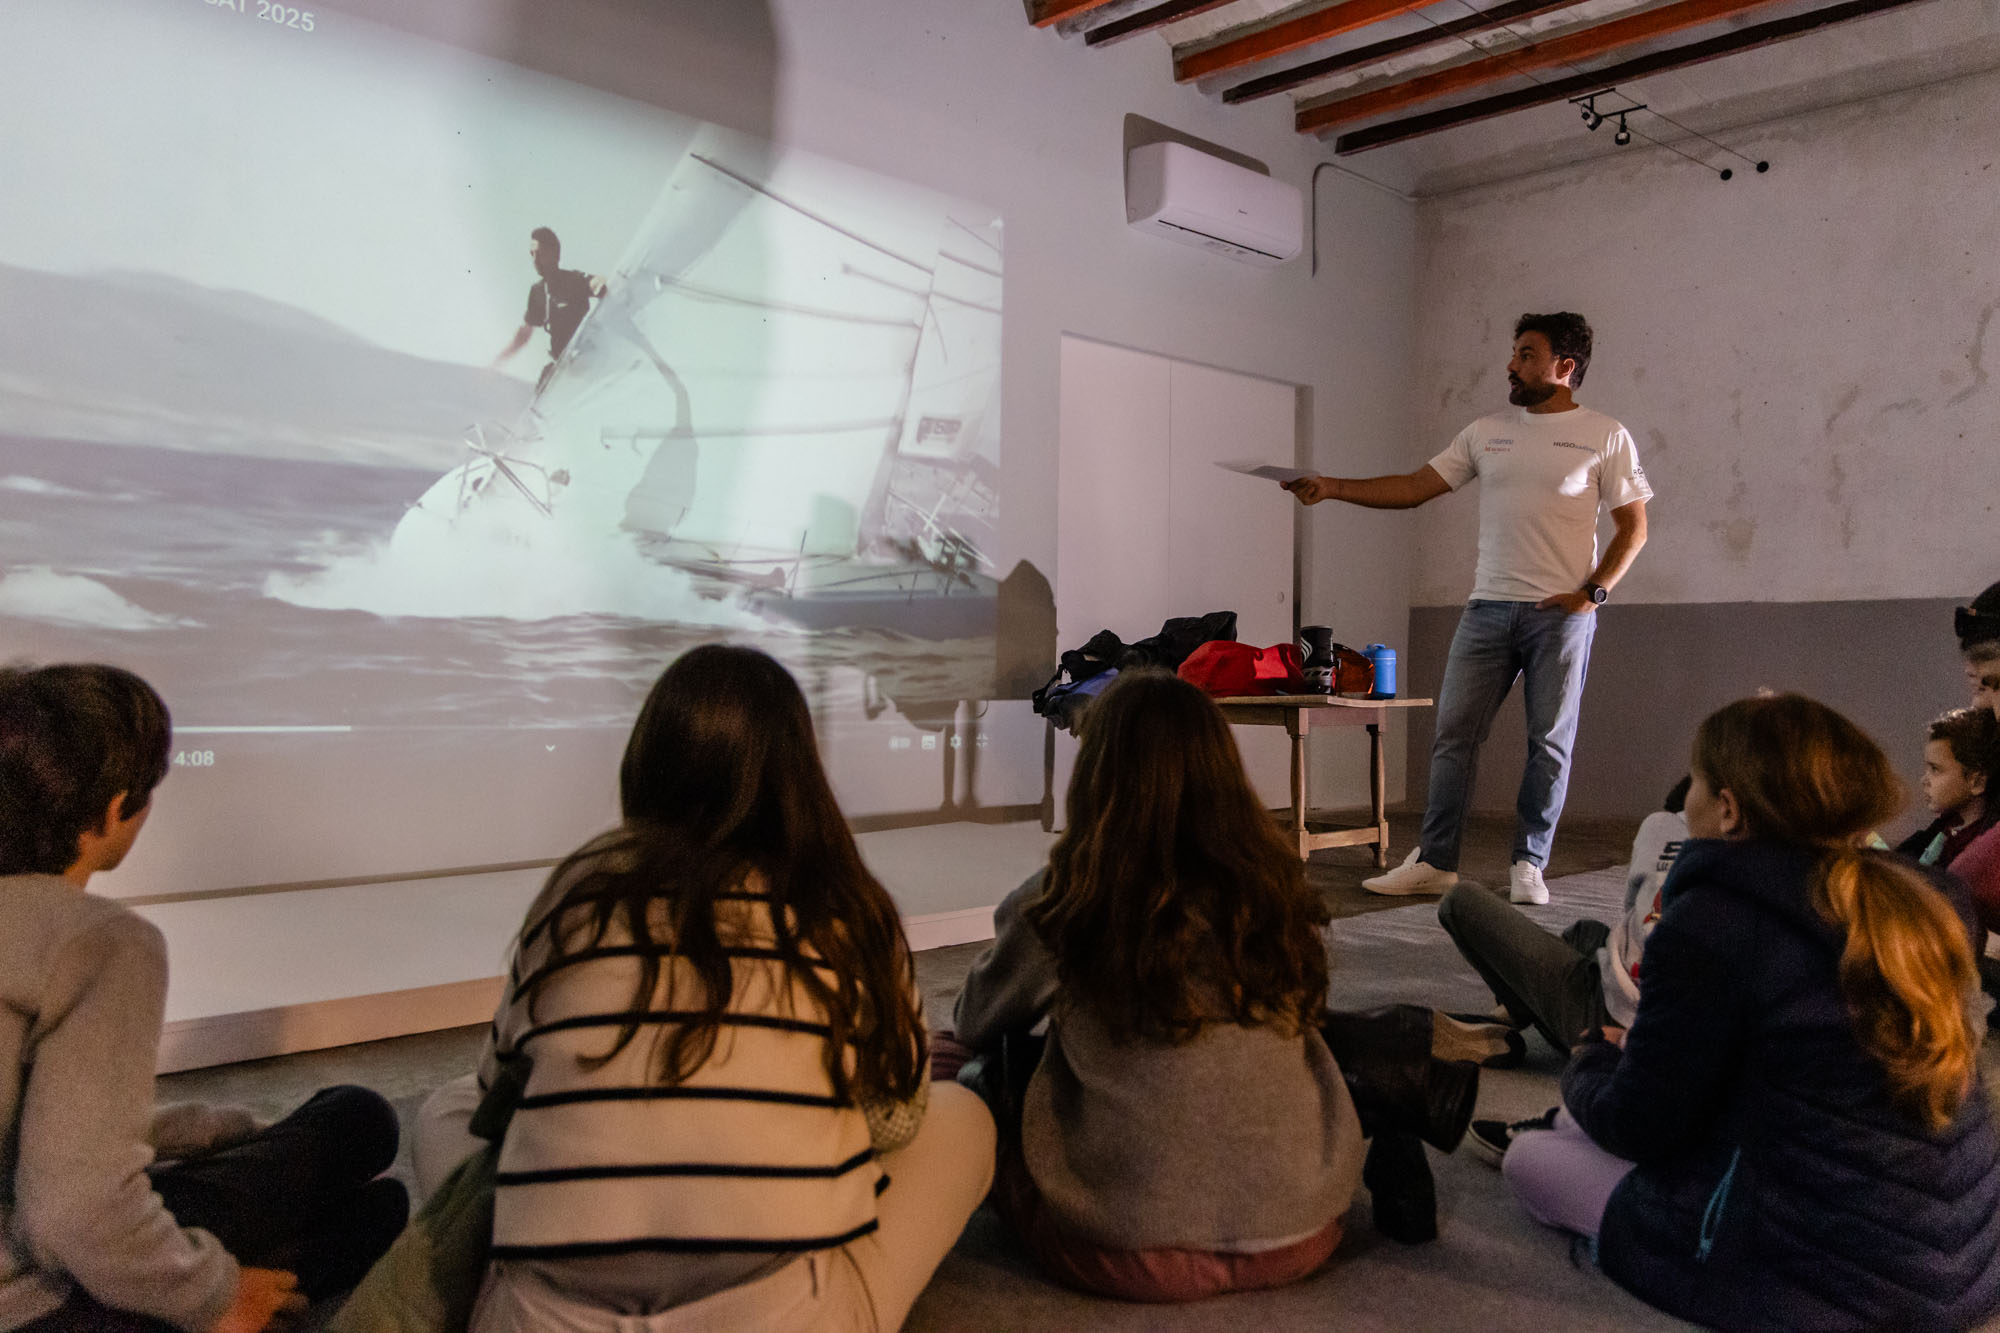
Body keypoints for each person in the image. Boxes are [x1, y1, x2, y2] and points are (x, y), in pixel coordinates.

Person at [422, 644, 993, 1331]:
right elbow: (896, 1115)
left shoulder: (584, 886)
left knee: (445, 1106)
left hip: (545, 1316)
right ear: (800, 768)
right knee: (963, 1117)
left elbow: (496, 1096)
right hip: (781, 1313)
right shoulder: (845, 903)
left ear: (646, 760)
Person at [951, 670, 1471, 1300]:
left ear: (1097, 778)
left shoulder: (1070, 899)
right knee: (1296, 1042)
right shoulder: (1271, 889)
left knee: (965, 1072)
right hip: (1304, 1231)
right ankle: (1388, 1086)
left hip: (1124, 1250)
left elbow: (976, 1021)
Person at [1501, 694, 2000, 1330]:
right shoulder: (1932, 899)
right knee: (1579, 1121)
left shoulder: (1714, 923)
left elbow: (1641, 1128)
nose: (1686, 800)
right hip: (1962, 1267)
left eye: (1698, 784)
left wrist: (1590, 1058)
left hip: (1833, 1283)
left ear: (1729, 811)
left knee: (1534, 1158)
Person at [0, 665, 407, 1333]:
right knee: (365, 1152)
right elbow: (72, 1208)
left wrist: (193, 1130)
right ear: (113, 809)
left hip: (40, 1227)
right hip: (32, 1299)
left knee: (350, 1150)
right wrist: (212, 1298)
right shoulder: (97, 941)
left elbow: (34, 1129)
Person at [1286, 312, 1651, 906]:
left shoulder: (1605, 435)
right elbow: (1413, 487)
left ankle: (1529, 864)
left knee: (1550, 743)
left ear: (1565, 366)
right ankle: (1435, 862)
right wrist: (1332, 486)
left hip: (1560, 616)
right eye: (1514, 353)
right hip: (1486, 611)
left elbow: (1633, 528)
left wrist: (1592, 594)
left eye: (1527, 355)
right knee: (1453, 737)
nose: (1511, 365)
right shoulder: (1486, 432)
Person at [1438, 778, 1689, 1162]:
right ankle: (1521, 1009)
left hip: (1605, 1021)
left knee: (1460, 901)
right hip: (1650, 1020)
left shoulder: (1665, 828)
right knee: (1587, 932)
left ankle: (1514, 1015)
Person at [493, 226, 607, 393]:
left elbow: (595, 282)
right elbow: (525, 333)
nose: (535, 260)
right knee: (540, 396)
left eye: (540, 254)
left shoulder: (573, 280)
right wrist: (499, 361)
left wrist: (600, 285)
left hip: (585, 361)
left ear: (555, 254)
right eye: (532, 255)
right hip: (560, 368)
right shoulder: (537, 291)